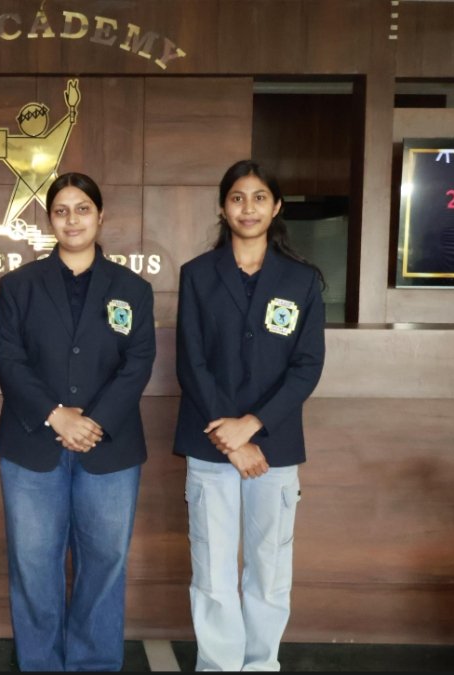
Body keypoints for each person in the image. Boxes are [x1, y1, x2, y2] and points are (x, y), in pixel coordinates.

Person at [0, 171, 156, 671]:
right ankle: (40, 663)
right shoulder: (18, 286)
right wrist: (54, 415)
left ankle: (93, 663)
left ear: (100, 216)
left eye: (82, 209)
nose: (72, 219)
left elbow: (138, 363)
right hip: (32, 445)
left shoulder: (133, 288)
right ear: (50, 220)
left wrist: (94, 421)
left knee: (105, 563)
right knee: (32, 564)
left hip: (110, 447)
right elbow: (8, 359)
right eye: (61, 211)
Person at [174, 159, 326, 672]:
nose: (248, 208)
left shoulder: (302, 281)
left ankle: (261, 665)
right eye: (237, 197)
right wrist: (231, 435)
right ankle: (219, 666)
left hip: (274, 447)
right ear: (223, 207)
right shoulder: (198, 275)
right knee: (212, 571)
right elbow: (191, 362)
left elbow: (307, 367)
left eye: (260, 197)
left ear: (276, 207)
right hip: (210, 444)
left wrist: (252, 425)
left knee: (269, 569)